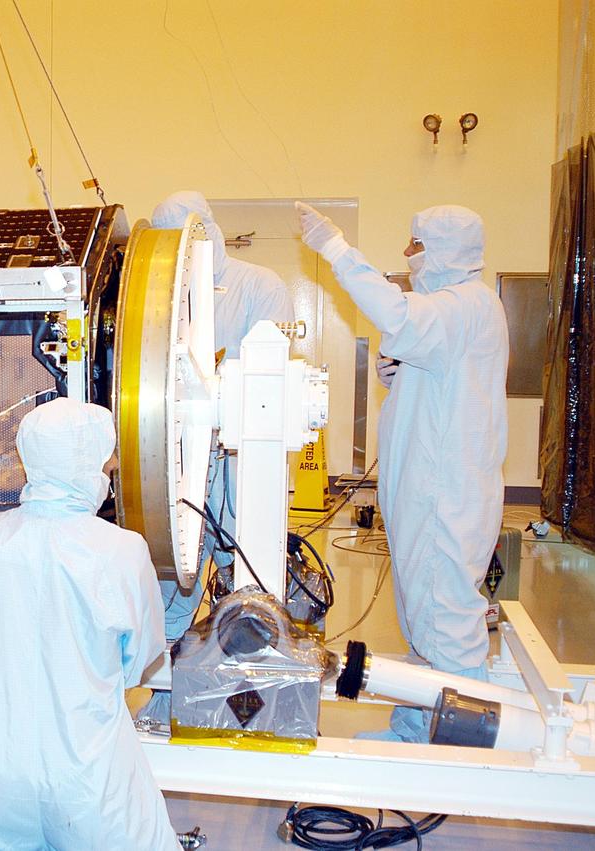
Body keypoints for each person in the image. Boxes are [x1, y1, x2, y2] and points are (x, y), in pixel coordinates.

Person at [0, 398, 179, 850]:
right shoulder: (124, 551)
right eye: (108, 459)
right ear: (88, 466)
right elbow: (138, 663)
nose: (113, 468)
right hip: (92, 788)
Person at [296, 201, 508, 743]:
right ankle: (418, 725)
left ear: (442, 249)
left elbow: (397, 314)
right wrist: (400, 374)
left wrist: (337, 249)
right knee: (425, 619)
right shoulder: (456, 308)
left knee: (445, 624)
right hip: (432, 490)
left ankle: (460, 747)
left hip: (443, 495)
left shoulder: (464, 305)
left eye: (416, 245)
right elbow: (434, 377)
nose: (409, 255)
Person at [148, 191, 296, 642]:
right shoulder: (160, 302)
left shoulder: (259, 285)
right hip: (175, 458)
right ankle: (164, 688)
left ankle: (235, 679)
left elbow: (271, 381)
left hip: (238, 461)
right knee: (172, 578)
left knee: (243, 573)